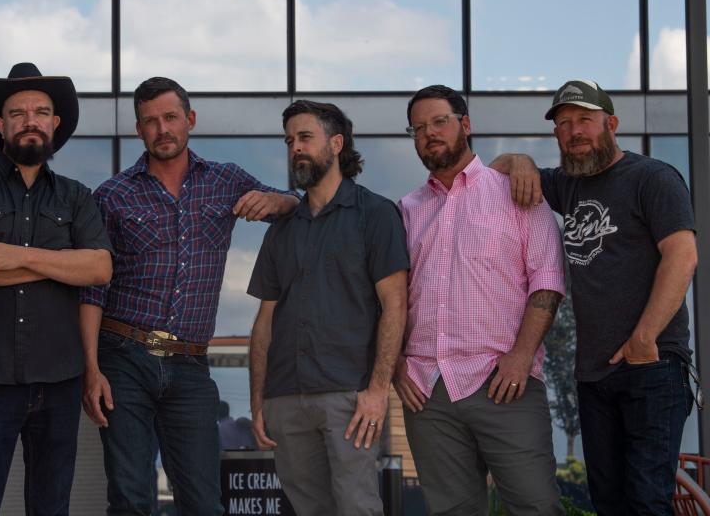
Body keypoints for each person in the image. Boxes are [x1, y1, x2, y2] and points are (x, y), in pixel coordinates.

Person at [80, 76, 298, 516]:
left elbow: (289, 200)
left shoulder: (226, 180)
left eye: (170, 117)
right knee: (130, 496)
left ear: (190, 120)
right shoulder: (113, 195)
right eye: (150, 121)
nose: (162, 129)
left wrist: (281, 203)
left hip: (191, 364)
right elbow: (91, 287)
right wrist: (91, 369)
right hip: (123, 357)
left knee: (203, 500)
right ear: (139, 130)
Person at [492, 80, 697, 516]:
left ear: (611, 124)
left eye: (584, 119)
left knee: (646, 502)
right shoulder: (569, 186)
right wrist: (523, 159)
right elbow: (498, 169)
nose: (574, 131)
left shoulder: (652, 178)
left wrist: (644, 338)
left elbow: (683, 256)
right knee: (609, 503)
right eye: (563, 124)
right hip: (593, 376)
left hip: (652, 367)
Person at [0, 62, 113, 515]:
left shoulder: (78, 197)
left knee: (51, 506)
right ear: (1, 125)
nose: (30, 120)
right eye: (18, 113)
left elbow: (99, 268)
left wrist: (17, 255)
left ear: (55, 124)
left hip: (60, 377)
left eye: (41, 111)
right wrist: (61, 265)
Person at [394, 85, 565, 515]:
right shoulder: (406, 209)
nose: (429, 134)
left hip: (505, 380)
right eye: (418, 128)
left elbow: (547, 280)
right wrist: (396, 365)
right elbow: (388, 298)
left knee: (535, 507)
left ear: (465, 125)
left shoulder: (518, 192)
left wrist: (522, 355)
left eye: (439, 122)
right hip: (426, 390)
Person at [247, 100, 409, 516]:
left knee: (357, 507)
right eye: (289, 141)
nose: (295, 148)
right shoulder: (281, 229)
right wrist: (258, 400)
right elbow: (264, 321)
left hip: (348, 399)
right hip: (285, 398)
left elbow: (395, 306)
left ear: (336, 144)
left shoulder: (376, 214)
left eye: (305, 138)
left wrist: (377, 391)